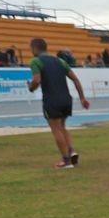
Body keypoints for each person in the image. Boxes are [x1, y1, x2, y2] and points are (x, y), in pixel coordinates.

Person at [26, 37, 90, 168]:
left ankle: (66, 161)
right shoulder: (60, 61)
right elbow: (76, 80)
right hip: (66, 99)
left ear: (34, 48)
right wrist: (82, 98)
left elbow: (36, 81)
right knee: (62, 127)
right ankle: (71, 151)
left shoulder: (35, 61)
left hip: (51, 99)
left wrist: (30, 87)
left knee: (56, 129)